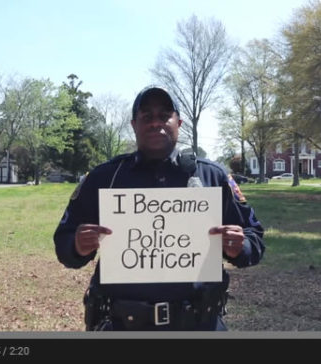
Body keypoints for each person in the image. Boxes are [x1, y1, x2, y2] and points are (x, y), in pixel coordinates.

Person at [53, 86, 265, 331]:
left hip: (199, 325)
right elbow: (64, 241)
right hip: (123, 325)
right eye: (146, 117)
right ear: (134, 125)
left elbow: (254, 237)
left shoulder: (212, 176)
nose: (156, 123)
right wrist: (77, 246)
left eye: (164, 115)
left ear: (179, 122)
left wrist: (241, 246)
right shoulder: (105, 178)